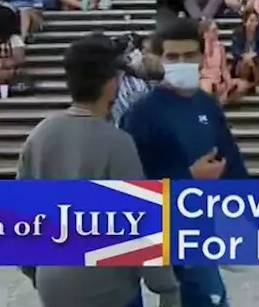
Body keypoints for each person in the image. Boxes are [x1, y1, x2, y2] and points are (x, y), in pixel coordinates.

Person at [16, 35, 180, 307]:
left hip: (53, 283)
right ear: (112, 82)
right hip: (108, 287)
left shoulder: (39, 136)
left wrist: (35, 271)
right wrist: (166, 287)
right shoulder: (117, 143)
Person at [122, 18, 246, 307]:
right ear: (159, 59)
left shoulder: (206, 103)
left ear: (202, 55)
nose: (182, 62)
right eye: (173, 56)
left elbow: (232, 160)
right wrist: (187, 176)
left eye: (189, 55)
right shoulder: (141, 114)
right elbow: (131, 184)